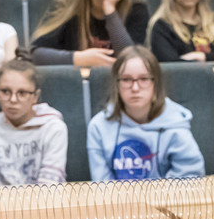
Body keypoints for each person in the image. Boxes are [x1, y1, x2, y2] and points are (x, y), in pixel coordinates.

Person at [86, 46, 202, 181]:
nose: (135, 88)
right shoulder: (98, 127)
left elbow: (190, 179)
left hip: (168, 195)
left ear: (155, 83)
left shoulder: (175, 124)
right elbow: (101, 186)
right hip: (116, 196)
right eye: (126, 79)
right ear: (116, 84)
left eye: (144, 79)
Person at [0, 59, 67, 187]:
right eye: (5, 92)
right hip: (0, 200)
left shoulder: (54, 128)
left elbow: (50, 187)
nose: (13, 100)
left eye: (22, 93)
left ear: (35, 96)